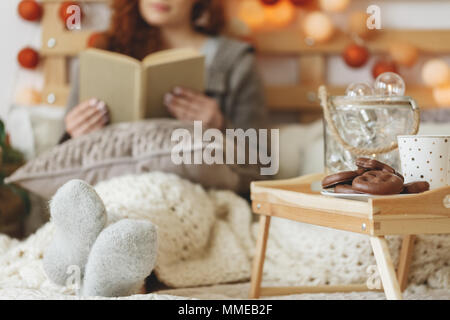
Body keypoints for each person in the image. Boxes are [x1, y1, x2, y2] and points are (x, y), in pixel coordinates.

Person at [61, 0, 267, 141]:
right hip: (109, 192)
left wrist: (219, 127)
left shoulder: (236, 62)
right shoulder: (101, 54)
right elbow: (56, 162)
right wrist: (72, 134)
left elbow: (261, 167)